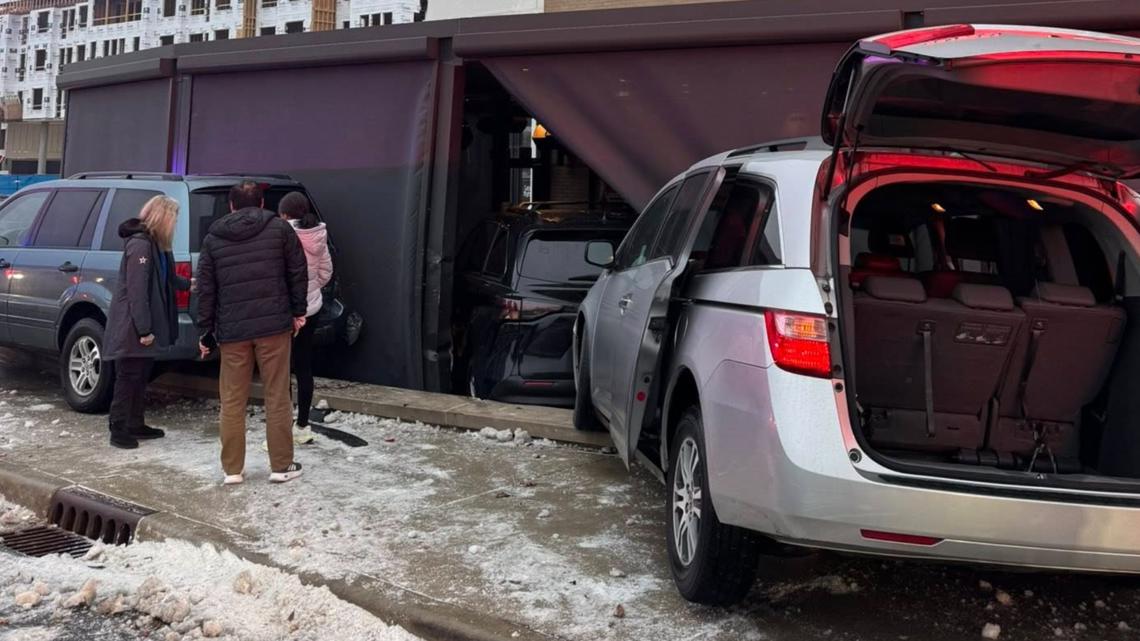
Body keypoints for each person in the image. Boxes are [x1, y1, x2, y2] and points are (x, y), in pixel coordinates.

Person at [195, 180, 309, 485]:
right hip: (274, 327)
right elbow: (297, 272)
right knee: (277, 395)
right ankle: (281, 465)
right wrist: (298, 312)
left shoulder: (213, 238)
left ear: (231, 205)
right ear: (262, 204)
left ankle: (232, 469)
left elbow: (206, 289)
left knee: (232, 399)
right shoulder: (281, 230)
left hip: (232, 331)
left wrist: (206, 331)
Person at [104, 196, 191, 449]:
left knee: (141, 374)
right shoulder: (141, 245)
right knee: (128, 374)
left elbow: (166, 277)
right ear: (162, 217)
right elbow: (137, 291)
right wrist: (144, 329)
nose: (175, 223)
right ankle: (118, 427)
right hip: (132, 324)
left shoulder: (157, 244)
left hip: (144, 322)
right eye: (173, 217)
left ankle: (135, 422)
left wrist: (189, 284)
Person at [277, 191, 333, 444]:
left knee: (280, 369)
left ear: (285, 213)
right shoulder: (318, 234)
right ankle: (302, 425)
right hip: (312, 308)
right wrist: (311, 289)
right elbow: (325, 272)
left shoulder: (280, 233)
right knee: (304, 365)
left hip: (285, 310)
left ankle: (282, 424)